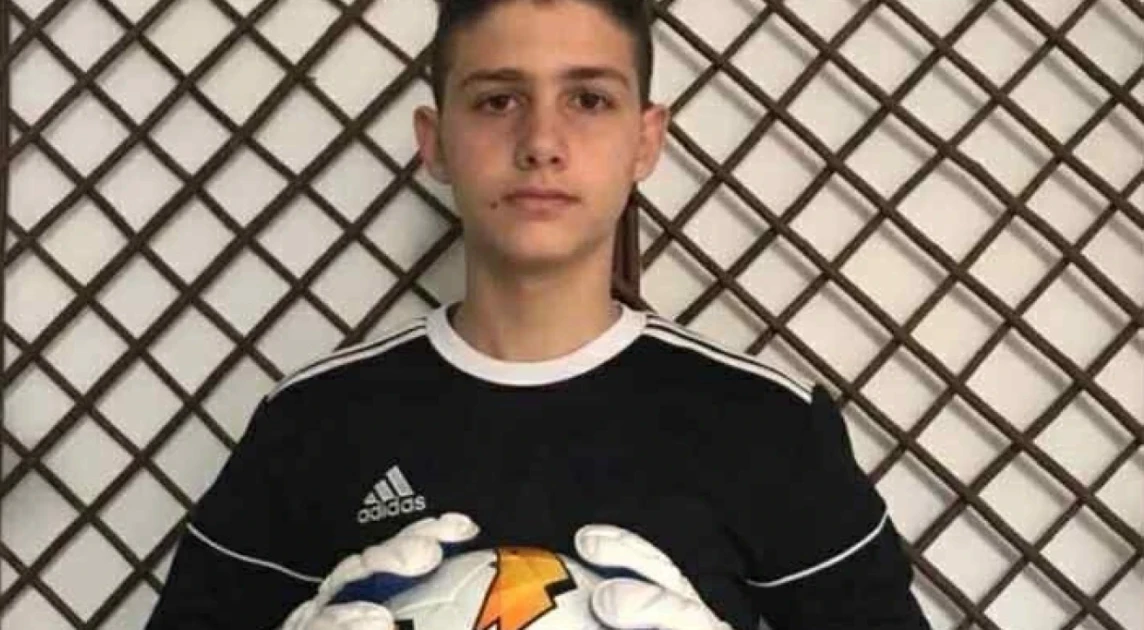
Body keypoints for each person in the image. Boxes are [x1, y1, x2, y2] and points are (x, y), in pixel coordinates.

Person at [145, 0, 931, 628]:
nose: (542, 142)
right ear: (435, 141)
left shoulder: (768, 426)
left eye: (588, 99)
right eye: (498, 100)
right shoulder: (311, 424)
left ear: (645, 141)